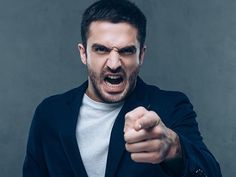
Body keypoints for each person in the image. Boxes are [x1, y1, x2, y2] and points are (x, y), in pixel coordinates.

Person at [23, 0, 222, 177]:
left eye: (127, 51)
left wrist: (174, 149)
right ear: (83, 53)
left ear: (141, 55)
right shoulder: (49, 113)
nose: (114, 63)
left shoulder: (171, 106)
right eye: (101, 49)